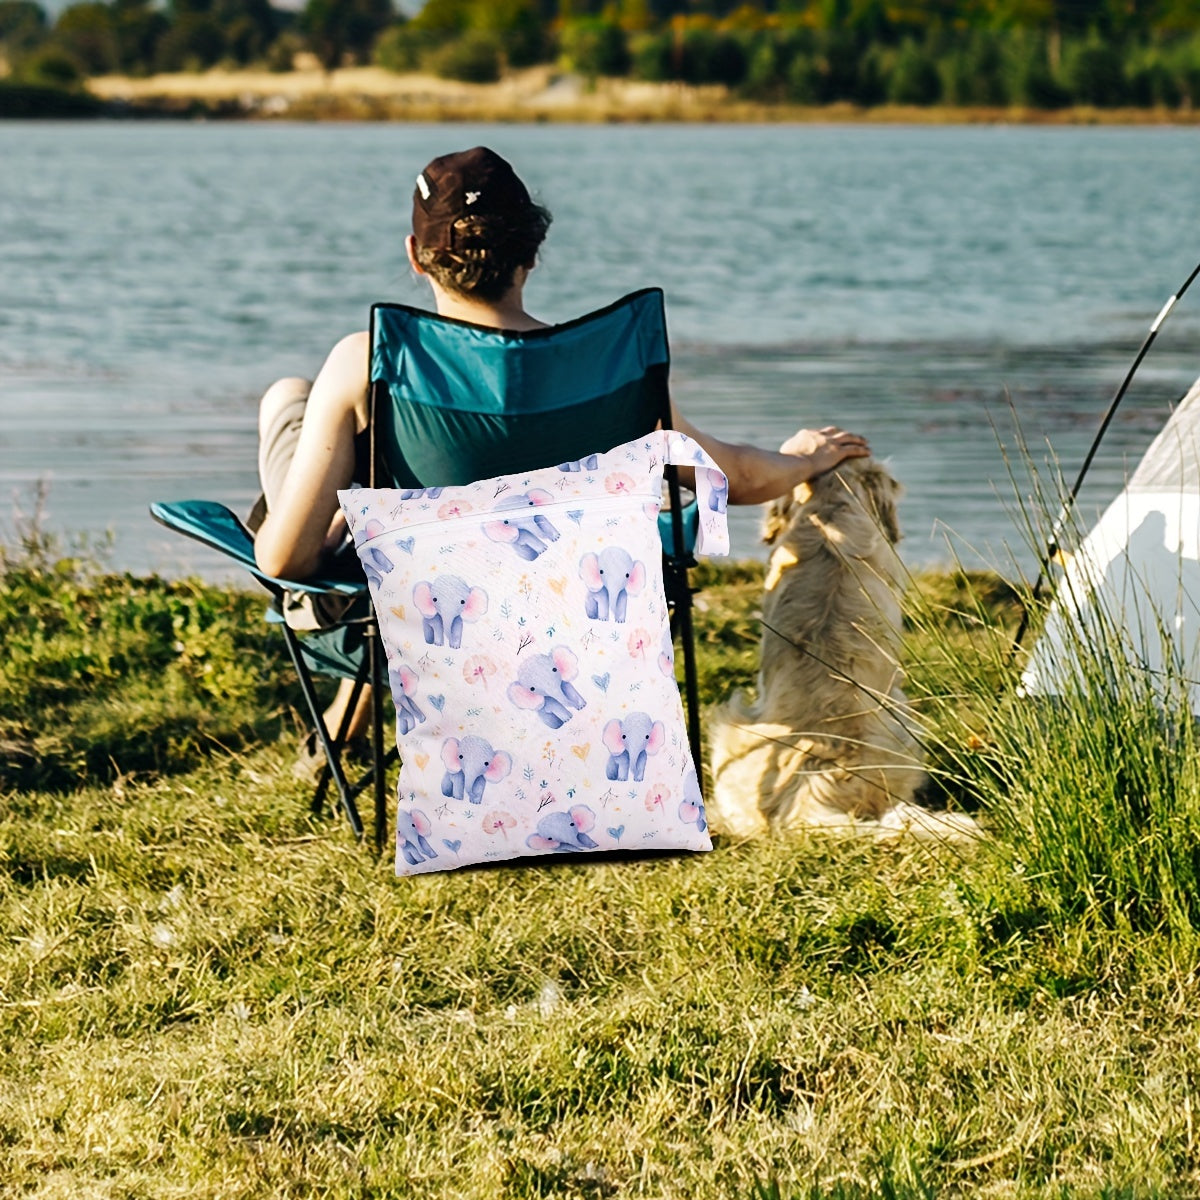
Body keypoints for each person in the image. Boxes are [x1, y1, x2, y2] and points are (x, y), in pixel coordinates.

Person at [253, 146, 869, 754]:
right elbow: (728, 475)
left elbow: (283, 561)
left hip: (421, 622)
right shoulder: (604, 365)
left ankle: (358, 568)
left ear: (417, 256)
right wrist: (807, 459)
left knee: (290, 401)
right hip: (571, 628)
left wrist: (339, 524)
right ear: (532, 254)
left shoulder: (368, 359)